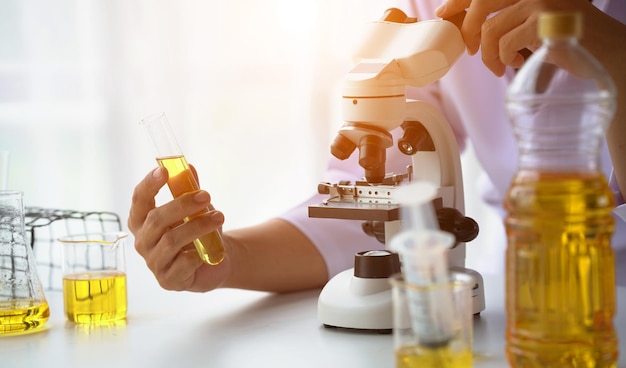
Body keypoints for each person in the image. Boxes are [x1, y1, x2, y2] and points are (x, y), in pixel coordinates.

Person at [128, 0, 626, 293]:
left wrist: (614, 52)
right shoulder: (433, 13)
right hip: (524, 305)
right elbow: (367, 201)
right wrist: (227, 259)